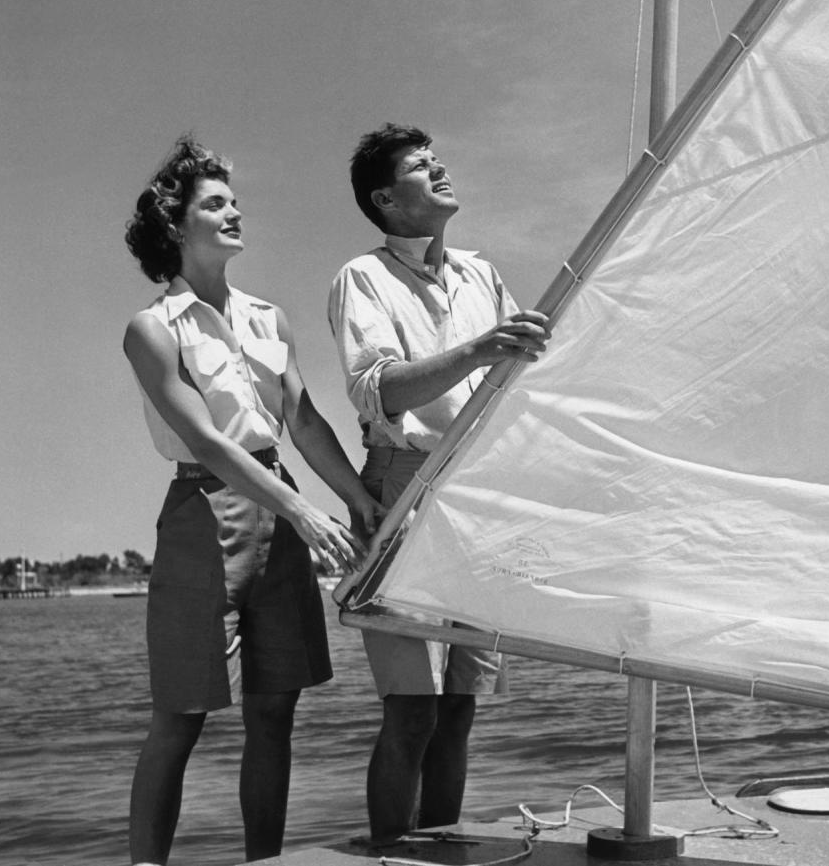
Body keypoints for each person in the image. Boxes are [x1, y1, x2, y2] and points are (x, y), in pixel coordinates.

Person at [123, 135, 381, 866]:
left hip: (283, 506)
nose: (234, 211)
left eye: (235, 200)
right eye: (215, 203)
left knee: (276, 711)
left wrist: (357, 499)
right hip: (203, 515)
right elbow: (206, 443)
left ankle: (262, 862)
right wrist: (304, 511)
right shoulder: (152, 328)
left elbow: (302, 422)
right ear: (176, 226)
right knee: (180, 715)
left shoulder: (269, 317)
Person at [328, 123, 552, 841]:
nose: (441, 169)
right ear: (387, 199)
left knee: (461, 708)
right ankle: (392, 856)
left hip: (479, 494)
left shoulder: (482, 274)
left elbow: (524, 376)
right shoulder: (362, 278)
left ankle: (442, 852)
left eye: (438, 159)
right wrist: (481, 347)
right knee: (412, 708)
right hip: (406, 486)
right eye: (423, 167)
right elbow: (381, 390)